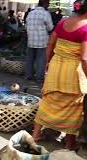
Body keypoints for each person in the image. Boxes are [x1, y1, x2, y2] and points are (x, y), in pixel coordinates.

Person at [32, 0, 87, 151]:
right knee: (73, 106)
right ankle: (70, 143)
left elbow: (50, 44)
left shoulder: (63, 22)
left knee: (48, 100)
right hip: (73, 71)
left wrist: (48, 64)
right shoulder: (86, 27)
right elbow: (84, 58)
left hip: (56, 66)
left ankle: (36, 134)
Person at [25, 0, 53, 82]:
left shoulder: (30, 13)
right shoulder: (46, 13)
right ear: (44, 3)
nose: (48, 5)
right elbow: (50, 28)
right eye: (48, 3)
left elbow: (26, 26)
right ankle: (39, 78)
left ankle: (28, 76)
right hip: (42, 41)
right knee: (41, 60)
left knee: (29, 59)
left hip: (31, 40)